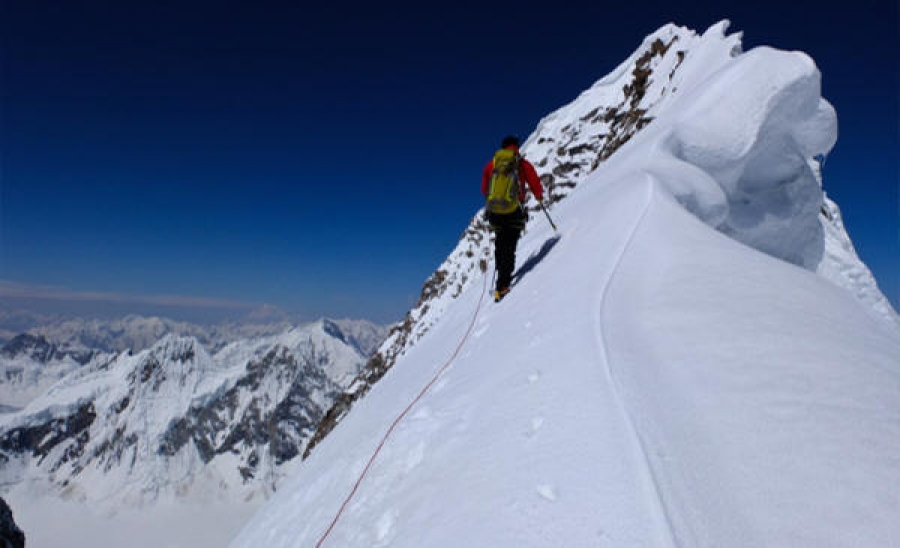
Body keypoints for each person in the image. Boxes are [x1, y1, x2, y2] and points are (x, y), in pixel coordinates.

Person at [482, 135, 545, 302]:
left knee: (500, 242)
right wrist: (539, 197)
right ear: (517, 146)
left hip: (495, 212)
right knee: (509, 246)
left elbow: (484, 189)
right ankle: (503, 284)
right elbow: (533, 181)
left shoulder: (492, 165)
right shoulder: (521, 163)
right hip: (514, 211)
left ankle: (500, 272)